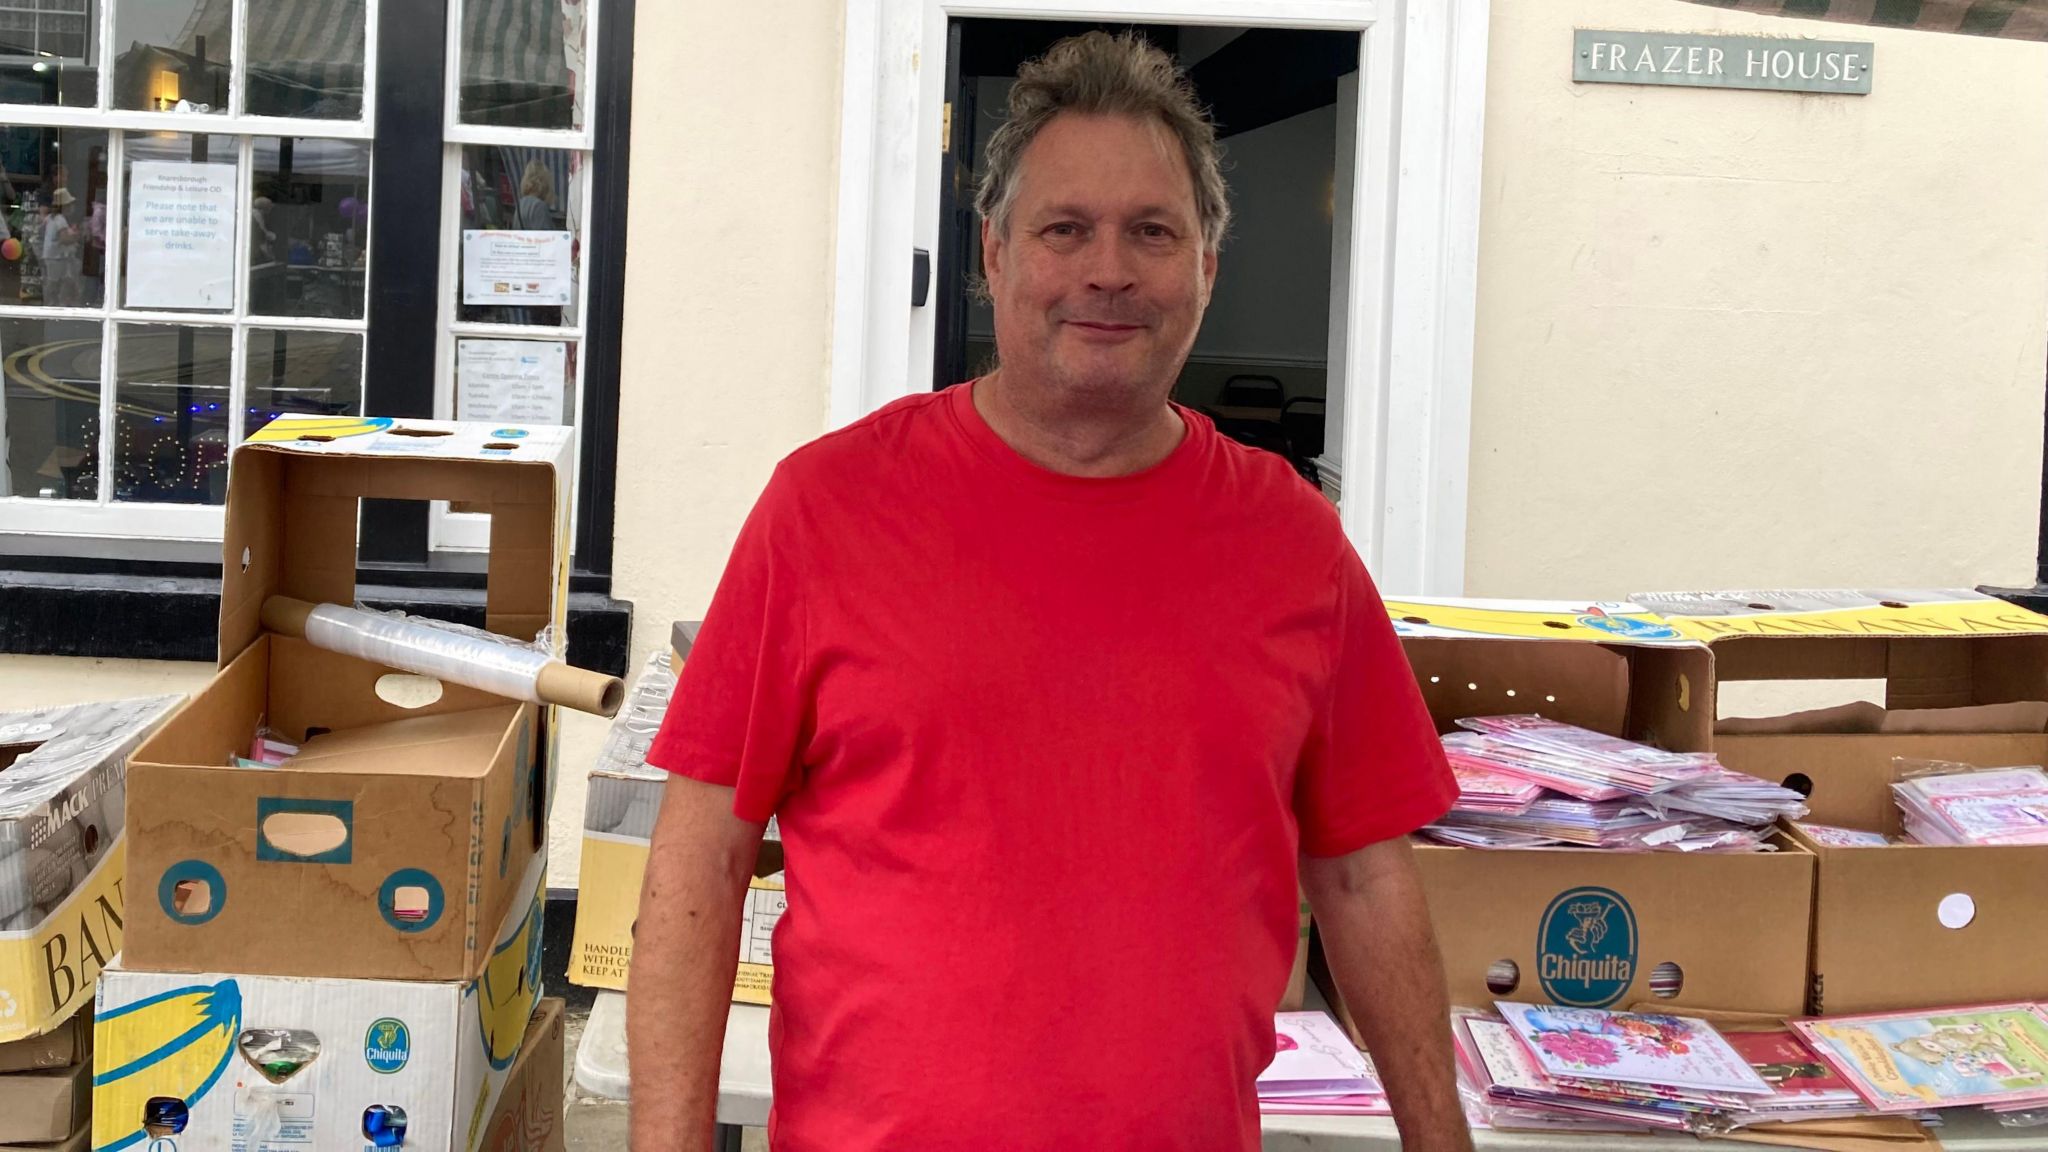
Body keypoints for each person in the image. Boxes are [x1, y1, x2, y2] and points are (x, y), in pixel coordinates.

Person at [628, 31, 1471, 1152]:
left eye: (1152, 232)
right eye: (1064, 229)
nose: (1108, 271)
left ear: (1207, 266)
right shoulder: (825, 509)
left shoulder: (1293, 543)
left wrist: (1440, 1139)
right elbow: (698, 863)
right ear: (993, 254)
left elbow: (1363, 878)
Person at [40, 188, 80, 307]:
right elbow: (64, 239)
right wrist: (77, 237)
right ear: (65, 206)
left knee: (55, 280)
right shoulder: (60, 220)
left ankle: (52, 301)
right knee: (55, 281)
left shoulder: (50, 218)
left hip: (50, 255)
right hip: (56, 257)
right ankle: (51, 302)